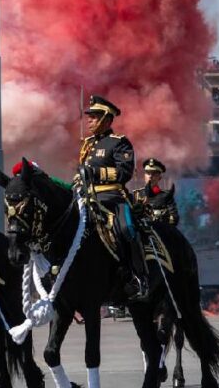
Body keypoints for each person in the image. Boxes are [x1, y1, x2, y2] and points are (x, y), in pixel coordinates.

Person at [79, 95, 148, 301]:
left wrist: (97, 174)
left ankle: (138, 278)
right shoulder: (88, 145)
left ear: (106, 119)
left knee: (127, 230)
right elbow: (81, 174)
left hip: (112, 197)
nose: (89, 120)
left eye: (94, 117)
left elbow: (124, 172)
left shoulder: (119, 143)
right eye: (89, 117)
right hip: (87, 197)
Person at [131, 158, 178, 226]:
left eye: (154, 174)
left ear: (159, 177)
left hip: (160, 231)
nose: (150, 176)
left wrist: (164, 218)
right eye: (148, 173)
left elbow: (174, 218)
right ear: (144, 176)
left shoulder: (166, 195)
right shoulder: (136, 195)